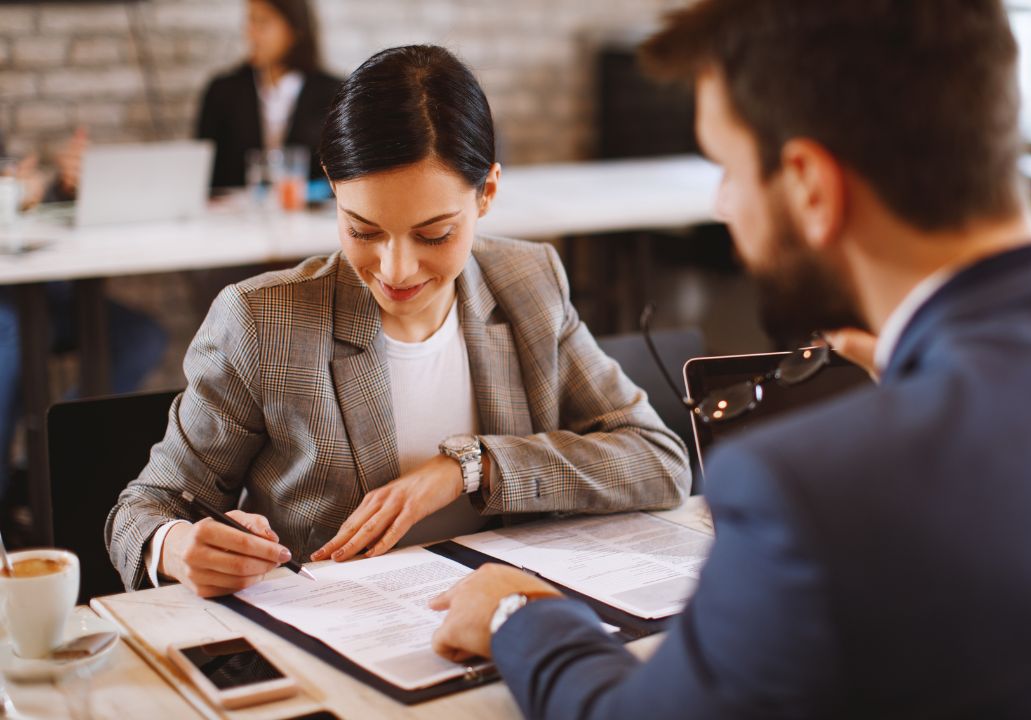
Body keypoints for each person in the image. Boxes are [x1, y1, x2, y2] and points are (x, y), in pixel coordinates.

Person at [428, 1, 1031, 717]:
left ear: (809, 186)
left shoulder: (812, 490)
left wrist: (518, 615)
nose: (724, 204)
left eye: (726, 169)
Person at [106, 45, 691, 598]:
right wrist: (176, 547)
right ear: (333, 188)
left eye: (433, 233)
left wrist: (473, 466)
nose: (395, 269)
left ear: (486, 192)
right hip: (339, 643)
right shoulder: (263, 322)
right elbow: (144, 510)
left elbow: (659, 461)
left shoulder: (529, 282)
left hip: (502, 626)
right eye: (363, 230)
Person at [0, 130, 167, 516]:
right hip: (9, 302)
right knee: (13, 332)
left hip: (45, 290)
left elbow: (23, 206)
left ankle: (54, 463)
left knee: (140, 335)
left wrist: (60, 186)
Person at [196, 0, 341, 189]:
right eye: (250, 21)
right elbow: (204, 171)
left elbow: (342, 173)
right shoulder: (222, 91)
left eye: (262, 22)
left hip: (309, 215)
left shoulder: (333, 92)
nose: (250, 32)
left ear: (294, 30)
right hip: (235, 215)